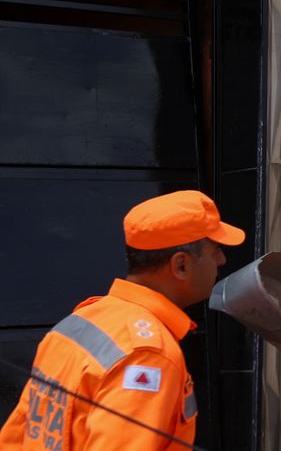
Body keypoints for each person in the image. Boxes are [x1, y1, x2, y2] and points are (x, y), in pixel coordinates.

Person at [0, 191, 245, 450]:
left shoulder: (82, 320)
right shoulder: (148, 355)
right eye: (215, 250)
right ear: (181, 265)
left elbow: (16, 436)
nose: (222, 260)